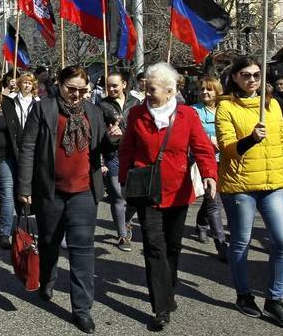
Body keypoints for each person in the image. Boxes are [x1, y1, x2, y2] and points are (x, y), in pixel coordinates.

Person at [18, 65, 117, 334]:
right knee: (49, 241)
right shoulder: (44, 108)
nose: (75, 95)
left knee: (81, 250)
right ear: (59, 84)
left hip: (84, 191)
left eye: (81, 90)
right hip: (50, 190)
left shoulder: (93, 112)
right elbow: (28, 147)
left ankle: (82, 309)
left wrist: (113, 140)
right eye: (70, 89)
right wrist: (24, 186)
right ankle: (48, 278)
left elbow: (102, 147)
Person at [118, 63, 217, 330]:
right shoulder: (137, 114)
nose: (146, 92)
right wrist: (125, 177)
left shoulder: (187, 115)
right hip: (147, 191)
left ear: (170, 91)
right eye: (145, 87)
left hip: (178, 192)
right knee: (154, 247)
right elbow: (127, 148)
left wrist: (209, 174)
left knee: (172, 246)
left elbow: (203, 148)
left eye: (151, 89)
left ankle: (168, 282)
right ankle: (160, 306)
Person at [216, 56, 283, 329]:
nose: (252, 80)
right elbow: (227, 148)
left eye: (256, 75)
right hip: (240, 186)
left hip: (273, 183)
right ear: (235, 78)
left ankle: (275, 298)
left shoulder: (272, 104)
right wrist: (251, 138)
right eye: (246, 75)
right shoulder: (225, 106)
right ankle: (243, 294)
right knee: (241, 242)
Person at [98, 70, 141, 251]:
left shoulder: (136, 102)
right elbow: (98, 134)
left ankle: (127, 220)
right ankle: (122, 235)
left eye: (115, 85)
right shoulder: (101, 105)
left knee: (134, 196)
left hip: (134, 154)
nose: (111, 89)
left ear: (124, 85)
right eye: (108, 86)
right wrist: (101, 160)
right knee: (117, 195)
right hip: (113, 155)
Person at [192, 76, 228, 261]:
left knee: (213, 198)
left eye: (209, 89)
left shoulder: (226, 108)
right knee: (214, 201)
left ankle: (201, 224)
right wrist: (209, 140)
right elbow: (194, 133)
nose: (205, 92)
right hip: (206, 162)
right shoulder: (194, 111)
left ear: (217, 91)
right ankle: (221, 243)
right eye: (202, 89)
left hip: (228, 160)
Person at [0, 75, 22, 249]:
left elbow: (16, 128)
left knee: (7, 192)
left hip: (5, 156)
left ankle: (5, 232)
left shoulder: (8, 104)